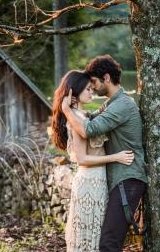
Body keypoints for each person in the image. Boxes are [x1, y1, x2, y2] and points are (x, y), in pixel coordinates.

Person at [61, 55, 148, 252]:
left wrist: (66, 110)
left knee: (109, 242)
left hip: (128, 177)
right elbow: (88, 120)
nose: (91, 87)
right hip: (117, 178)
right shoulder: (111, 104)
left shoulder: (122, 105)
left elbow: (88, 129)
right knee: (107, 241)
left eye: (93, 82)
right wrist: (75, 110)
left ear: (106, 78)